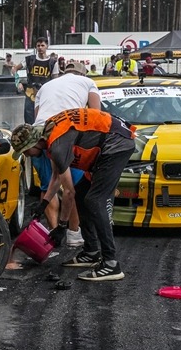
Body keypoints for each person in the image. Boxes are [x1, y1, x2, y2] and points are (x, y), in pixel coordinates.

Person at [11, 107, 136, 281]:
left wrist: (62, 226)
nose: (26, 155)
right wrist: (44, 204)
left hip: (117, 144)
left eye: (25, 151)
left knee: (95, 201)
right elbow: (56, 177)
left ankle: (111, 263)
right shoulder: (50, 133)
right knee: (83, 193)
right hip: (111, 142)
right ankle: (91, 251)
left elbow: (68, 192)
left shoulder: (57, 146)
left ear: (34, 143)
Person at [32, 60, 102, 247]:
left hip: (42, 137)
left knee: (49, 184)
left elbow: (39, 118)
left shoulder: (45, 86)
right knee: (74, 187)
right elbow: (96, 115)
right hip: (68, 135)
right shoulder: (88, 83)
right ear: (83, 74)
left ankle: (53, 234)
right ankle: (72, 234)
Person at [11, 37, 59, 124]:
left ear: (47, 46)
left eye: (42, 45)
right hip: (31, 94)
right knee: (29, 119)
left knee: (45, 119)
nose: (40, 47)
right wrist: (18, 82)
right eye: (38, 45)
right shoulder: (29, 60)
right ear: (36, 47)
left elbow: (55, 80)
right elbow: (14, 69)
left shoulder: (53, 63)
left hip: (46, 94)